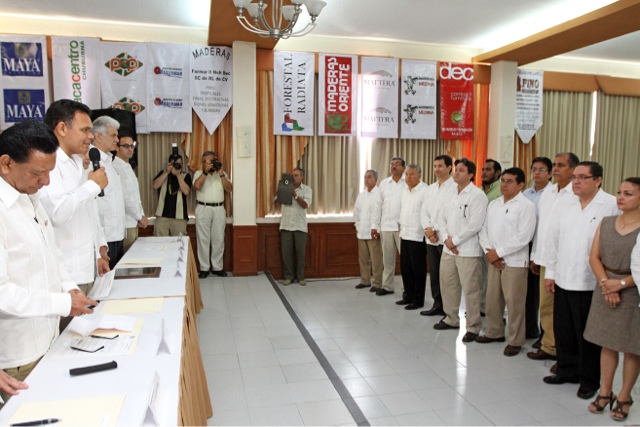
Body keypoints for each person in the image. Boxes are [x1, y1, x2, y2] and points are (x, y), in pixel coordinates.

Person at [0, 120, 97, 407]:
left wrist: (70, 288)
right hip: (19, 356)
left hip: (49, 339)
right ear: (6, 164)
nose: (46, 182)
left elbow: (52, 253)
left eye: (50, 173)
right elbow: (3, 293)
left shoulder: (29, 197)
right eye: (38, 173)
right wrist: (63, 304)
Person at [543, 161, 619, 400]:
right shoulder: (566, 204)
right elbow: (553, 239)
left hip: (591, 282)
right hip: (564, 277)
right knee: (564, 330)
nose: (576, 181)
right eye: (575, 177)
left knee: (587, 334)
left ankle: (589, 379)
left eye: (583, 177)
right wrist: (551, 273)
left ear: (598, 180)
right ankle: (567, 370)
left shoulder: (610, 206)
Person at [39, 99, 110, 297]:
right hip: (65, 277)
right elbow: (57, 214)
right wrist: (92, 186)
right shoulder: (49, 164)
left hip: (86, 268)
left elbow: (86, 215)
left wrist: (96, 255)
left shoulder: (76, 162)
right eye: (85, 130)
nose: (90, 137)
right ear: (62, 128)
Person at [584, 177, 640, 420]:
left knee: (631, 348)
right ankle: (605, 392)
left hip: (633, 291)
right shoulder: (606, 223)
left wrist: (622, 284)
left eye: (628, 193)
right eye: (619, 192)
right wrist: (607, 285)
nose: (620, 197)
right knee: (606, 343)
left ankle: (625, 395)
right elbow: (594, 257)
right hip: (606, 286)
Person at [476, 167, 536, 356]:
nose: (504, 184)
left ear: (521, 184)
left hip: (515, 262)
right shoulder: (494, 204)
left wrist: (499, 253)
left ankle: (516, 340)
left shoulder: (526, 206)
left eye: (509, 181)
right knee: (492, 299)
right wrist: (489, 253)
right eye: (503, 180)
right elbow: (483, 229)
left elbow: (524, 236)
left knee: (515, 303)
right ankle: (494, 332)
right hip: (494, 259)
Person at [527, 152, 579, 363]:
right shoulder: (549, 193)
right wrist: (535, 257)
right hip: (546, 259)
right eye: (555, 164)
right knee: (546, 306)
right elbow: (542, 229)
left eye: (561, 165)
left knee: (563, 310)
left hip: (566, 262)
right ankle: (549, 345)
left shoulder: (575, 194)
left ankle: (564, 352)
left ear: (573, 169)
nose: (556, 168)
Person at [434, 158, 488, 343]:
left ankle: (473, 327)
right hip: (449, 249)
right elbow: (440, 217)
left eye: (461, 170)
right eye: (456, 170)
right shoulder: (450, 193)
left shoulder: (477, 195)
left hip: (468, 251)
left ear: (471, 175)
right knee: (448, 284)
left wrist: (454, 241)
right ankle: (451, 318)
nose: (456, 173)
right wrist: (447, 239)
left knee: (471, 290)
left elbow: (475, 224)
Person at [523, 157, 553, 340]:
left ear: (550, 174)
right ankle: (530, 329)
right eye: (534, 169)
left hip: (543, 246)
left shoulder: (553, 194)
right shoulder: (526, 194)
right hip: (526, 245)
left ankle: (546, 335)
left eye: (542, 169)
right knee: (528, 292)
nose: (537, 173)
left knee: (544, 294)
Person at [421, 154, 456, 316]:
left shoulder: (455, 188)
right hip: (431, 239)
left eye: (440, 166)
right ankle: (437, 304)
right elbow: (424, 211)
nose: (437, 169)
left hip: (444, 239)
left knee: (447, 277)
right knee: (434, 274)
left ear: (449, 167)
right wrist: (428, 229)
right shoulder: (430, 189)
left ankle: (449, 308)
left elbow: (449, 214)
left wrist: (435, 229)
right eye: (435, 166)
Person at [91, 116, 126, 269]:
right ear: (98, 136)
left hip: (117, 233)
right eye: (113, 135)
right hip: (104, 236)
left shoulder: (109, 161)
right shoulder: (91, 161)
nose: (117, 140)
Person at [371, 157, 407, 296]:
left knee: (405, 261)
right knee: (387, 259)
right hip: (386, 226)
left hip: (402, 228)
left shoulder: (407, 183)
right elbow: (377, 206)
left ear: (403, 168)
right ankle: (387, 286)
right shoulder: (385, 184)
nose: (394, 166)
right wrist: (375, 226)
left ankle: (406, 288)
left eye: (397, 164)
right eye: (392, 164)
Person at [193, 151, 232, 279]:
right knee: (203, 239)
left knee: (218, 239)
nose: (211, 163)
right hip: (203, 208)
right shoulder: (199, 173)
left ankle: (217, 267)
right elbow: (197, 186)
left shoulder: (222, 173)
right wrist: (205, 172)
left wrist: (221, 175)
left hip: (218, 209)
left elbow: (229, 189)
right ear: (203, 163)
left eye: (212, 160)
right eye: (208, 161)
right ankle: (204, 268)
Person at [396, 164, 428, 310]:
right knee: (406, 268)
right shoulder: (404, 191)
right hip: (405, 234)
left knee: (418, 270)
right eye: (407, 174)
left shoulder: (425, 191)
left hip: (418, 236)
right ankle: (407, 295)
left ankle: (418, 299)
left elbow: (427, 214)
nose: (408, 177)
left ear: (420, 176)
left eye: (412, 174)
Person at [112, 136, 148, 253]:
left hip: (133, 221)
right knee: (128, 259)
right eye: (126, 146)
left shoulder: (127, 167)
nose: (130, 149)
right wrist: (139, 216)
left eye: (132, 146)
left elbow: (135, 196)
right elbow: (126, 198)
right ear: (117, 148)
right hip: (126, 223)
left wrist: (140, 215)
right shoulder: (116, 167)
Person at [278, 167, 312, 286]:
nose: (294, 177)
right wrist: (284, 190)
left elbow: (305, 205)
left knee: (300, 253)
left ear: (302, 177)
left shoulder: (307, 189)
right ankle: (288, 277)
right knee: (286, 254)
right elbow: (279, 200)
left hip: (300, 226)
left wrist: (295, 195)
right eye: (292, 175)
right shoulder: (285, 187)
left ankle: (301, 277)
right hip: (286, 225)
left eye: (297, 175)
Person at [353, 170, 383, 291]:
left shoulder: (379, 194)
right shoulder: (362, 195)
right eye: (365, 177)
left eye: (369, 177)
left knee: (376, 260)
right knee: (364, 259)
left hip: (373, 233)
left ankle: (377, 283)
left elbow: (380, 213)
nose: (366, 179)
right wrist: (357, 226)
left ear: (376, 179)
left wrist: (378, 229)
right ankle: (365, 280)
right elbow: (356, 212)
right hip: (362, 231)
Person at [152, 153, 192, 236]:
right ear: (169, 163)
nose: (177, 165)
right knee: (160, 244)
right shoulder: (163, 173)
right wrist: (167, 172)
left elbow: (186, 191)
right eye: (175, 163)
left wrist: (178, 175)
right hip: (162, 216)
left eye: (179, 163)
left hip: (179, 218)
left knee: (179, 245)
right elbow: (155, 186)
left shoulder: (185, 176)